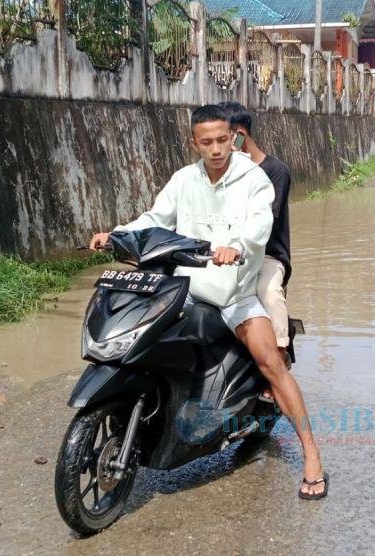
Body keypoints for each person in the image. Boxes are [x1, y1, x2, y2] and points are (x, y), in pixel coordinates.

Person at [89, 105, 328, 500]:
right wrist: (115, 234)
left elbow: (259, 225)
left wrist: (236, 246)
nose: (216, 149)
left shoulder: (254, 179)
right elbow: (155, 218)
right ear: (194, 143)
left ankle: (311, 453)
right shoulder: (184, 180)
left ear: (233, 138)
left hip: (235, 293)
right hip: (184, 287)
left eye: (221, 140)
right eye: (206, 142)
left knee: (271, 363)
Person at [219, 102, 291, 403]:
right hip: (226, 253)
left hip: (268, 255)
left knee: (269, 292)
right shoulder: (222, 172)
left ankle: (280, 359)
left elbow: (263, 222)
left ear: (239, 134)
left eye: (223, 137)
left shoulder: (275, 172)